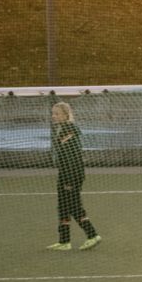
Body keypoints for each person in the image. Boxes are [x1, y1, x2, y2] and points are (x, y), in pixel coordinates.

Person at [48, 101, 100, 252]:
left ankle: (93, 235)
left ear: (66, 115)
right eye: (53, 113)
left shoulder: (69, 129)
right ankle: (64, 241)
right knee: (63, 206)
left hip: (72, 174)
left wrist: (69, 179)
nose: (54, 116)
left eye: (57, 113)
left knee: (73, 205)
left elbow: (72, 157)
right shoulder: (62, 129)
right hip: (64, 173)